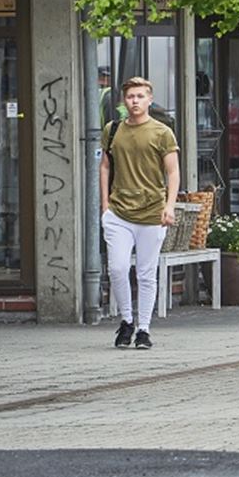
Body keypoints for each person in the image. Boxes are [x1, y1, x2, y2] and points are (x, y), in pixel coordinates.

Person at [101, 76, 179, 350]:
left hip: (152, 212)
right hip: (119, 211)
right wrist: (105, 205)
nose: (134, 101)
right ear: (124, 100)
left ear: (149, 99)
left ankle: (143, 329)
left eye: (140, 96)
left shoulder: (162, 132)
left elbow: (172, 172)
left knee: (146, 273)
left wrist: (169, 206)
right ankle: (126, 320)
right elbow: (105, 166)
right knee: (118, 268)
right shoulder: (113, 130)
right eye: (130, 96)